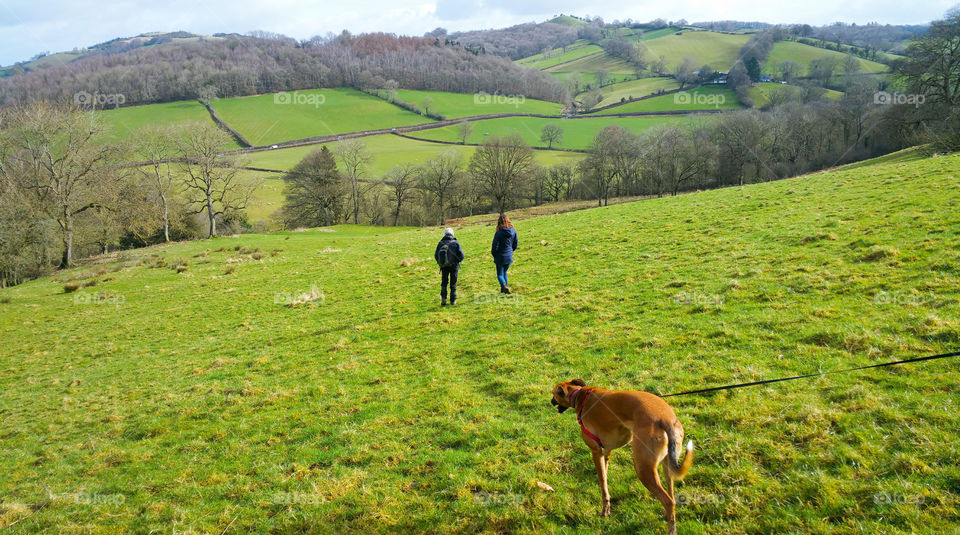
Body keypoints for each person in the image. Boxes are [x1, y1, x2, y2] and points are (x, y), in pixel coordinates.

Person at [434, 228, 464, 306]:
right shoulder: (455, 243)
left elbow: (436, 255)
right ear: (452, 234)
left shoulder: (440, 243)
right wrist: (457, 261)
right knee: (453, 283)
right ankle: (453, 301)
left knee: (444, 282)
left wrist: (440, 263)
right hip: (454, 266)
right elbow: (462, 256)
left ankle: (443, 300)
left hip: (444, 266)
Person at [490, 215, 518, 294]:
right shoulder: (513, 231)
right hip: (509, 256)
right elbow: (515, 244)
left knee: (499, 274)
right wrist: (511, 251)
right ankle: (504, 289)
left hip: (500, 256)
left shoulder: (498, 233)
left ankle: (504, 286)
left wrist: (494, 254)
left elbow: (494, 246)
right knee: (504, 272)